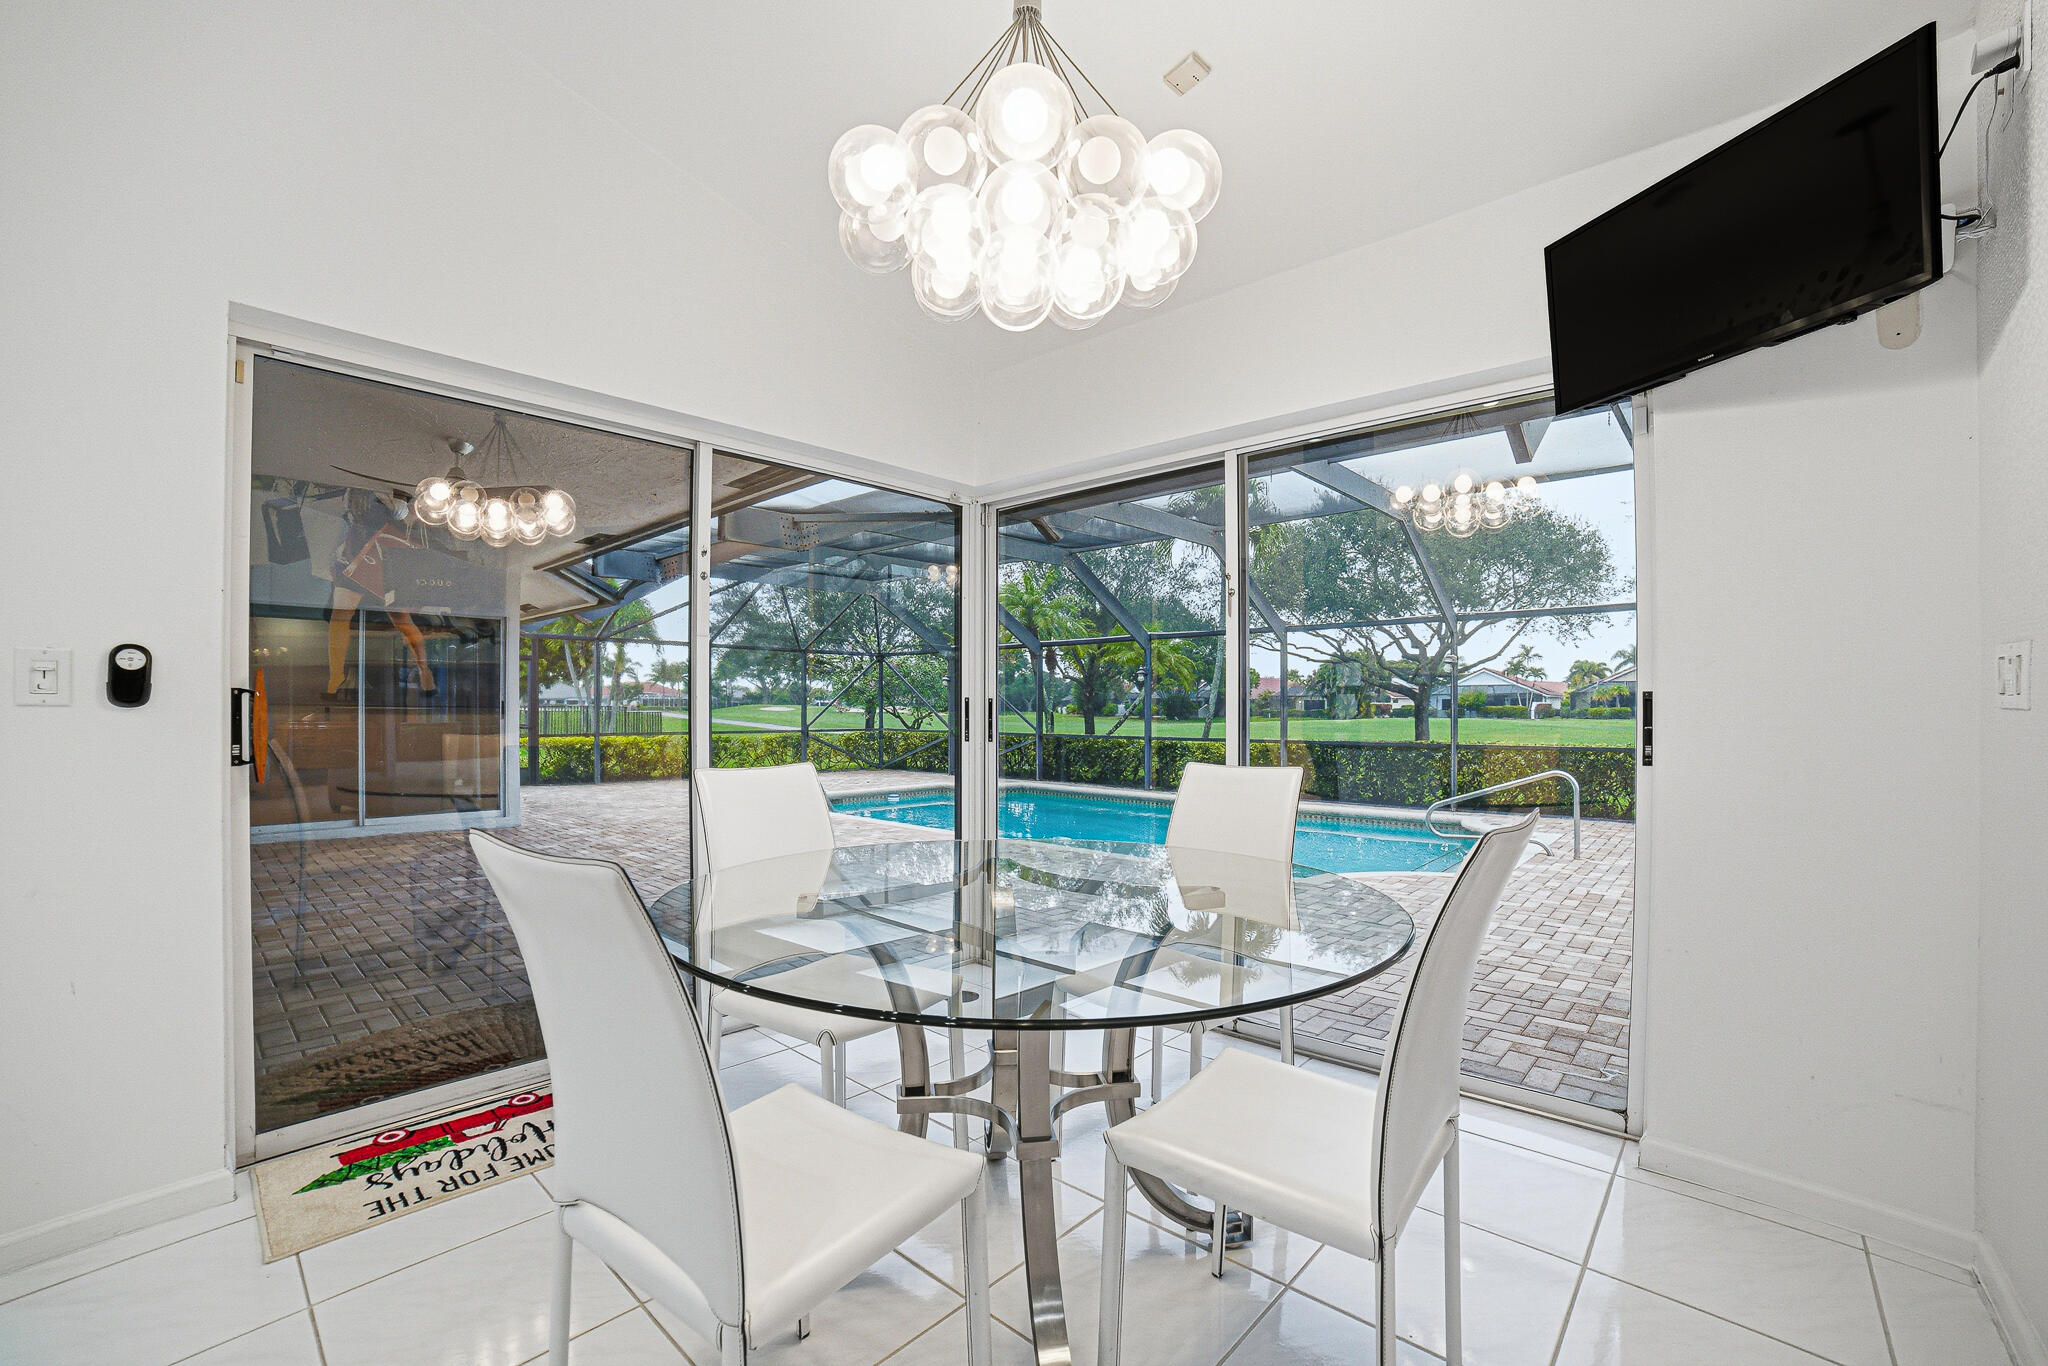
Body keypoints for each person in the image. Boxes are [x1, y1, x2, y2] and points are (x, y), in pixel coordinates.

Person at [325, 489, 437, 702]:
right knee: (340, 617)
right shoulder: (358, 503)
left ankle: (424, 669)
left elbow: (411, 517)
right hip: (360, 554)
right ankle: (335, 675)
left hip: (386, 554)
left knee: (402, 620)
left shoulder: (392, 508)